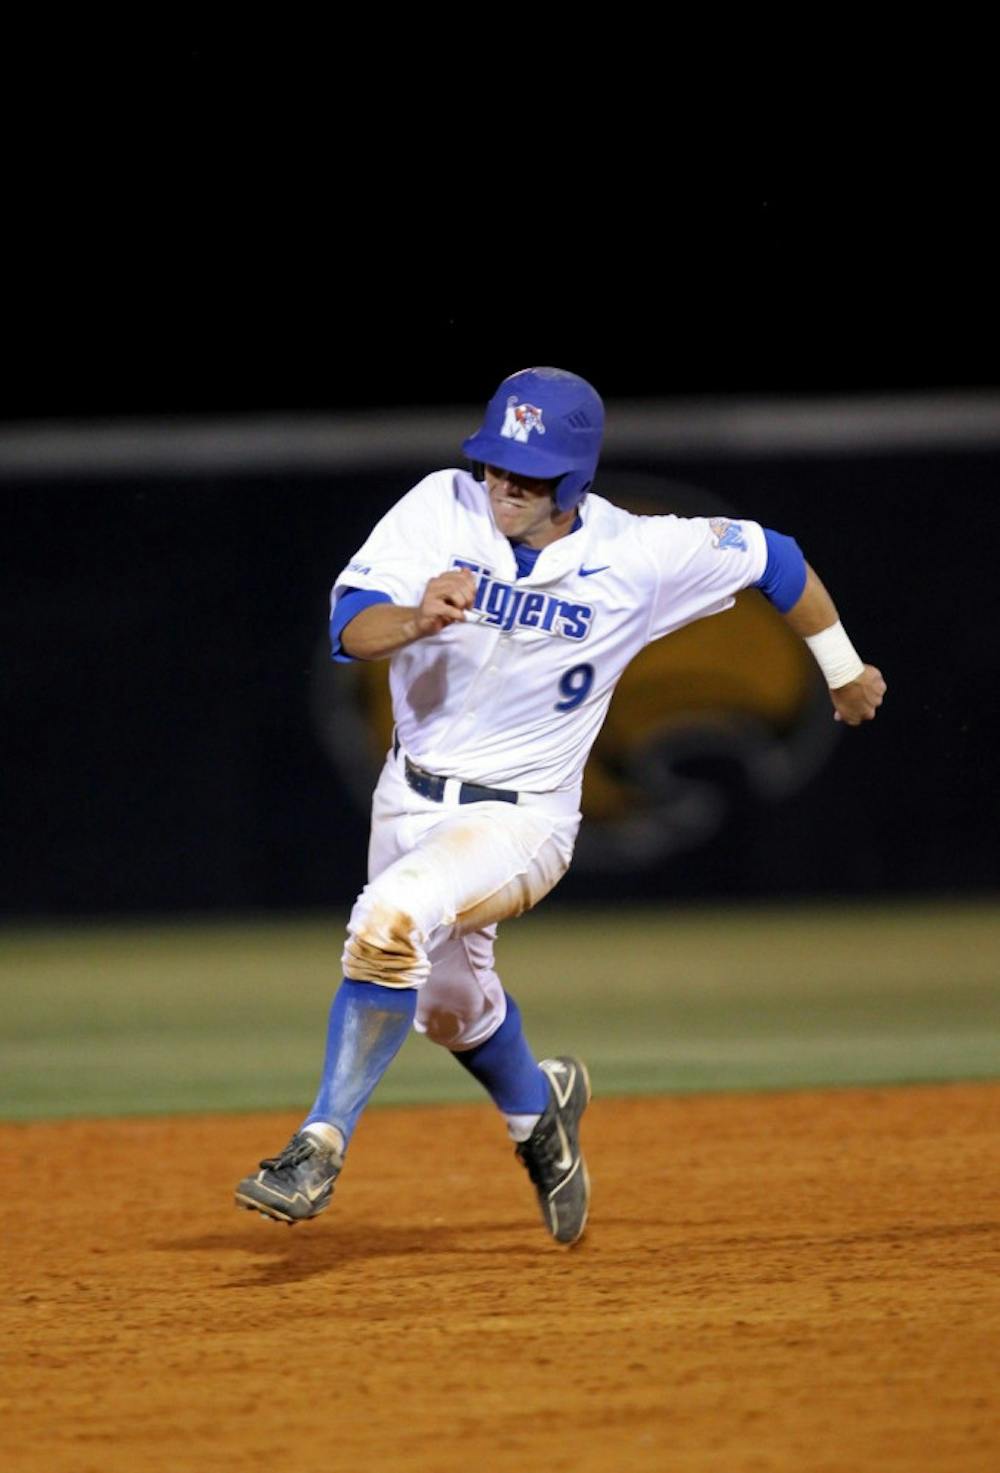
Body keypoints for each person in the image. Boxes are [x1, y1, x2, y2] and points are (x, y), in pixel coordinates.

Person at [235, 366, 886, 1246]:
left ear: (574, 478)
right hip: (408, 796)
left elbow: (776, 557)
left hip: (524, 820)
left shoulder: (639, 555)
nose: (504, 482)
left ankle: (316, 1145)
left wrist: (843, 671)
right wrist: (415, 619)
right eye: (498, 461)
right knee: (447, 1008)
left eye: (528, 471)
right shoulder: (442, 507)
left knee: (388, 922)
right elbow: (350, 626)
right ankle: (541, 1113)